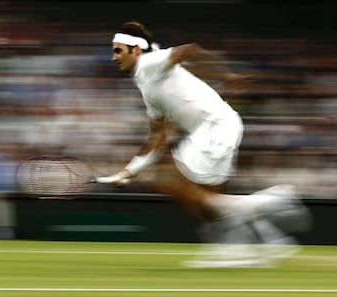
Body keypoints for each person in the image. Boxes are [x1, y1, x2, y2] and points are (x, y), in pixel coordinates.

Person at [97, 20, 310, 267]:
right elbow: (158, 136)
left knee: (170, 181)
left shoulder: (149, 63)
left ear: (135, 50)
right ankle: (263, 243)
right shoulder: (146, 84)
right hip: (222, 126)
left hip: (215, 127)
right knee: (210, 202)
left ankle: (274, 201)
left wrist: (226, 77)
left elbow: (190, 50)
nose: (113, 57)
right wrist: (128, 171)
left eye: (118, 50)